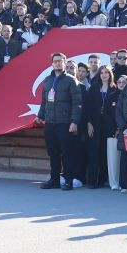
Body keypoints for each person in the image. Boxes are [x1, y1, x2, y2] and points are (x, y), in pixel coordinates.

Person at [36, 51, 83, 189]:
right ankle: (54, 180)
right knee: (53, 153)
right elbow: (44, 101)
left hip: (65, 123)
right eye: (55, 61)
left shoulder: (71, 80)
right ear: (52, 63)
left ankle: (68, 180)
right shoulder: (47, 80)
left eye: (60, 61)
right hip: (50, 123)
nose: (57, 63)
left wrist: (74, 121)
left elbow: (77, 103)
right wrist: (40, 116)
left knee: (67, 153)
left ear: (64, 62)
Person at [83, 64, 118, 191]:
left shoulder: (114, 89)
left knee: (105, 152)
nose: (104, 75)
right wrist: (88, 123)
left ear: (110, 75)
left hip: (108, 125)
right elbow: (87, 107)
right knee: (93, 152)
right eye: (102, 72)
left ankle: (102, 179)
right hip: (94, 124)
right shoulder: (93, 88)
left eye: (106, 72)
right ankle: (92, 180)